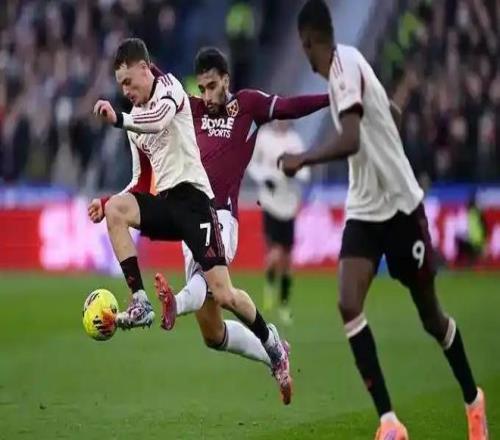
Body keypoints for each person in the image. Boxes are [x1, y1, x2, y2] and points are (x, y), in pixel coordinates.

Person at [279, 1, 488, 439]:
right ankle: (389, 422)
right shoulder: (348, 71)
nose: (304, 53)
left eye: (303, 46)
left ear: (308, 41)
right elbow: (390, 111)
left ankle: (473, 399)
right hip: (365, 209)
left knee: (431, 317)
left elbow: (352, 140)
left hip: (401, 208)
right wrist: (386, 128)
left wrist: (304, 158)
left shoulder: (345, 65)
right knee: (348, 302)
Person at [87, 38, 292, 404]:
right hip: (167, 205)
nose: (126, 91)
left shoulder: (171, 90)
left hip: (197, 204)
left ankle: (271, 342)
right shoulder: (134, 120)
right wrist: (107, 202)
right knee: (118, 210)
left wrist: (119, 119)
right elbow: (140, 181)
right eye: (121, 85)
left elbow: (157, 121)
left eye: (128, 81)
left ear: (145, 69)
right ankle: (140, 301)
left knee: (224, 294)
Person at [151, 46, 328, 384]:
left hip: (221, 216)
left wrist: (330, 99)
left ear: (226, 80)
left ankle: (176, 302)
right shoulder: (193, 108)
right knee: (212, 334)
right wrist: (143, 63)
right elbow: (160, 81)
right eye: (202, 88)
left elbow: (289, 106)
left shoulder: (248, 106)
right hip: (190, 216)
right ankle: (274, 351)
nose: (207, 95)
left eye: (212, 86)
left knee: (211, 284)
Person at [248, 120, 310, 324]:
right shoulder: (264, 137)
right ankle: (269, 287)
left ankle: (283, 302)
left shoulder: (294, 140)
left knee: (287, 258)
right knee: (274, 253)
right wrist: (264, 178)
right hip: (270, 202)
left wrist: (296, 172)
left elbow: (305, 168)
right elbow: (253, 164)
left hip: (289, 203)